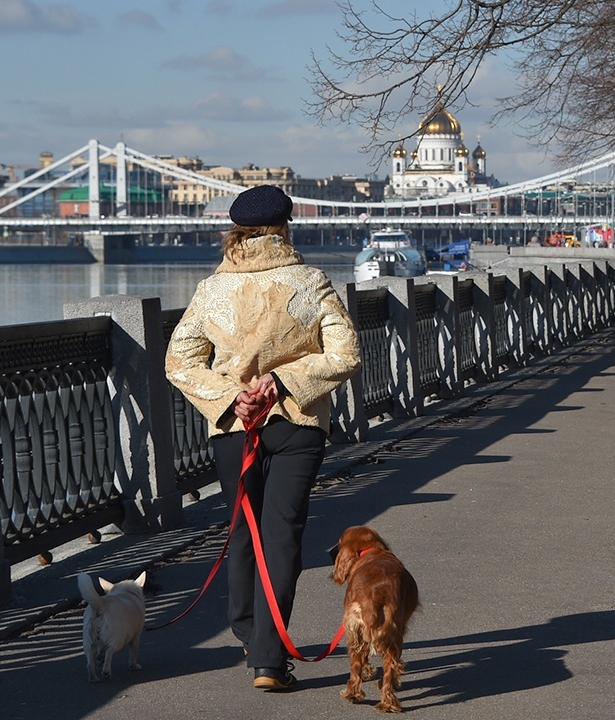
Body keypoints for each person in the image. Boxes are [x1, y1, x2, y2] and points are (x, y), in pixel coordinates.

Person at [165, 185, 361, 692]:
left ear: (236, 232)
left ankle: (252, 635)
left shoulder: (212, 290)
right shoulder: (310, 281)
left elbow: (179, 362)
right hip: (298, 426)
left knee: (242, 535)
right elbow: (346, 355)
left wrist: (236, 398)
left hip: (235, 431)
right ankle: (270, 661)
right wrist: (282, 383)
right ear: (284, 226)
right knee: (283, 534)